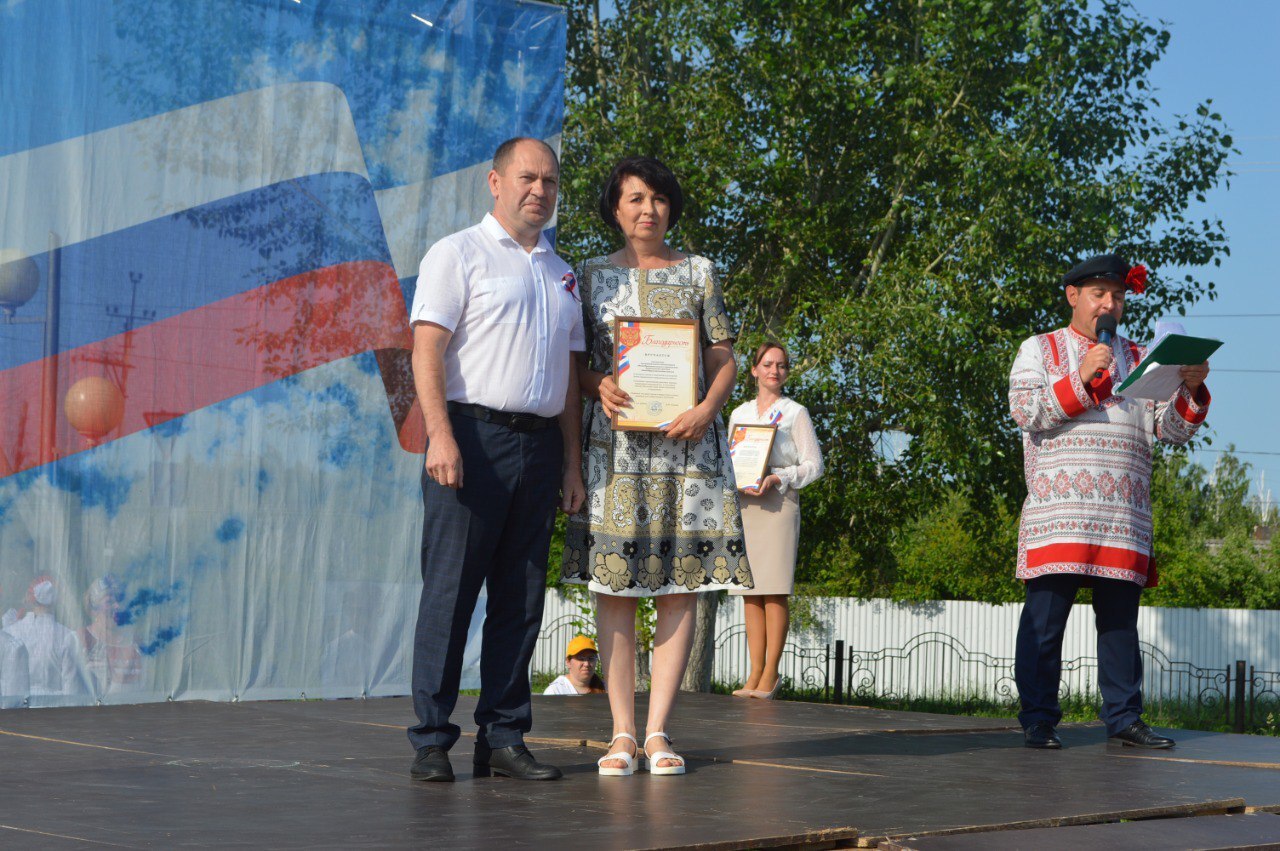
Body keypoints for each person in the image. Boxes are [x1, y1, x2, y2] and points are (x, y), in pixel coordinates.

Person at [561, 155, 753, 777]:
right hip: (612, 457)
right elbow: (573, 367)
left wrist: (706, 408)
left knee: (679, 589)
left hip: (688, 453)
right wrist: (596, 383)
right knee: (614, 589)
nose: (649, 209)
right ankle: (621, 733)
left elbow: (723, 356)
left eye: (659, 199)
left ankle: (659, 732)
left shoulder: (700, 271)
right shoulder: (589, 275)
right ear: (614, 209)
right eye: (636, 199)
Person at [406, 137, 586, 783]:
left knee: (521, 598)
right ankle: (431, 740)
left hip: (540, 446)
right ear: (495, 181)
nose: (540, 190)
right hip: (471, 438)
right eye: (527, 177)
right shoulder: (458, 253)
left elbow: (570, 377)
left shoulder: (563, 273)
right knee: (451, 595)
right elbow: (426, 349)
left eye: (550, 181)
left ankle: (504, 737)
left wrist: (572, 462)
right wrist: (440, 435)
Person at [1008, 254, 1211, 750]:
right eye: (1099, 294)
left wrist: (1191, 387)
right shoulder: (1039, 348)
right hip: (1060, 515)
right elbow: (1026, 411)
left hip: (1123, 515)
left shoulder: (1143, 356)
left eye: (1117, 296)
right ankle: (1038, 719)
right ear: (1073, 296)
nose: (1109, 304)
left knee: (1120, 625)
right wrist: (1081, 374)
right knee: (1044, 623)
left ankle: (1124, 718)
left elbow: (1171, 430)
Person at [727, 342, 824, 699]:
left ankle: (771, 673)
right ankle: (754, 673)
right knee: (750, 592)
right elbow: (730, 458)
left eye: (781, 365)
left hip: (779, 503)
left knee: (774, 590)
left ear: (787, 372)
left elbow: (814, 465)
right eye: (767, 364)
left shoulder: (795, 413)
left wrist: (779, 477)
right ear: (754, 370)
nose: (774, 371)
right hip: (746, 505)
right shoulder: (739, 413)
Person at [2, 576, 85, 700]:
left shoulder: (10, 633)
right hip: (54, 709)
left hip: (17, 708)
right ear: (56, 600)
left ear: (29, 598)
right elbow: (71, 692)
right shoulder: (67, 636)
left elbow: (5, 686)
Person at [78, 576, 143, 697]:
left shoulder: (134, 643)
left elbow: (141, 690)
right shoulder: (80, 639)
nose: (117, 606)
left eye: (119, 600)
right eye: (109, 602)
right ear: (93, 608)